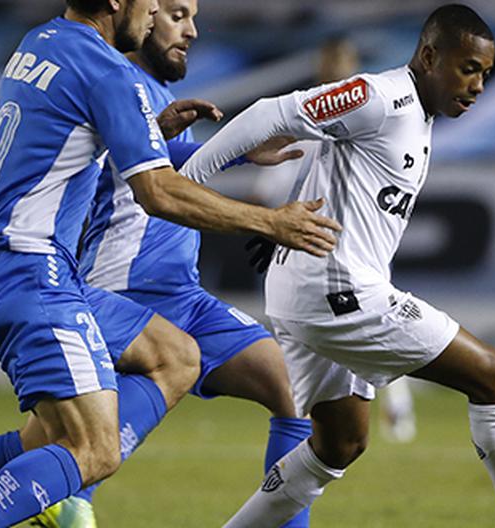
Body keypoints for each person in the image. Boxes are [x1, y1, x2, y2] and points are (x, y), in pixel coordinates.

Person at [0, 0, 341, 526]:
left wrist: (178, 136)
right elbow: (156, 193)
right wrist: (271, 222)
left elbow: (67, 141)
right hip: (30, 270)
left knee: (173, 360)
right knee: (92, 449)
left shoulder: (41, 42)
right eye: (154, 5)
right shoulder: (107, 69)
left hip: (0, 268)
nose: (154, 14)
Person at [182, 5, 495, 527]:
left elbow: (328, 165)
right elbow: (272, 113)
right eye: (468, 68)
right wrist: (190, 177)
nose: (479, 86)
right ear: (428, 55)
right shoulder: (382, 98)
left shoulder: (416, 119)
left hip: (307, 288)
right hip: (336, 292)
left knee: (340, 445)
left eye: (485, 73)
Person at [32, 0, 314, 526]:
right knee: (67, 446)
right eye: (178, 15)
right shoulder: (108, 82)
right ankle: (49, 499)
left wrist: (239, 149)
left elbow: (164, 159)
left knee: (292, 390)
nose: (193, 30)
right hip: (119, 292)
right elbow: (137, 175)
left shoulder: (157, 100)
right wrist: (266, 216)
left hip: (183, 297)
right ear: (146, 12)